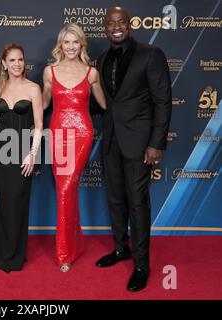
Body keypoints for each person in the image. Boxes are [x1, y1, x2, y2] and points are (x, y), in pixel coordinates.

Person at [94, 7, 172, 291]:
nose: (116, 27)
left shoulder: (150, 54)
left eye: (121, 22)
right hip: (111, 139)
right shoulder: (101, 59)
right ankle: (120, 249)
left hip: (140, 143)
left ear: (129, 24)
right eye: (110, 24)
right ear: (105, 28)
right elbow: (104, 102)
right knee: (115, 199)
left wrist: (156, 143)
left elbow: (163, 101)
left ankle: (141, 265)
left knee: (137, 203)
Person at [42, 23, 107, 272]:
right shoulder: (50, 71)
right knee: (64, 190)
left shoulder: (91, 73)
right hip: (57, 133)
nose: (70, 46)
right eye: (66, 42)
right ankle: (73, 245)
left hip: (82, 133)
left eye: (75, 42)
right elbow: (44, 102)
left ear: (82, 44)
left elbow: (103, 103)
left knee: (67, 188)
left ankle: (64, 252)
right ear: (61, 45)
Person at [0, 43, 44, 273]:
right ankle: (1, 254)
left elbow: (40, 126)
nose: (17, 64)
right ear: (4, 63)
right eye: (12, 60)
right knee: (4, 202)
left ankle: (15, 255)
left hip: (23, 152)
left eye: (20, 59)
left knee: (17, 202)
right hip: (0, 152)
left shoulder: (33, 88)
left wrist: (32, 155)